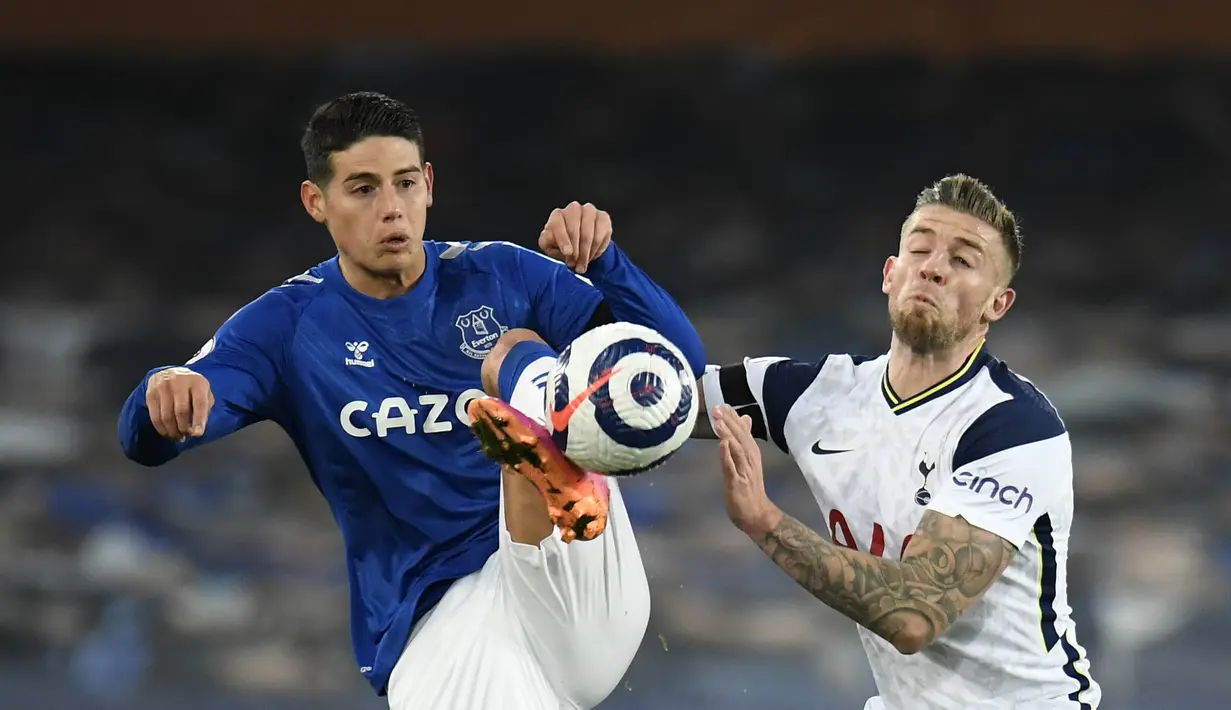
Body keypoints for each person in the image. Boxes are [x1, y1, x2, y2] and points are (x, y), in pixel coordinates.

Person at [117, 91, 706, 710]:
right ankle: (528, 433)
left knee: (513, 355)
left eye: (403, 183)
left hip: (578, 570)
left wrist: (608, 262)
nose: (391, 209)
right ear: (316, 201)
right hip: (443, 623)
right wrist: (163, 389)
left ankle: (533, 413)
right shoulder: (286, 327)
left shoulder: (502, 276)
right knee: (517, 372)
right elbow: (143, 443)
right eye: (363, 189)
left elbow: (678, 371)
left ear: (428, 185)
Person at [695, 175, 1101, 709]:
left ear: (996, 305)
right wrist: (588, 279)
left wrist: (763, 521)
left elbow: (915, 615)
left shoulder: (1013, 425)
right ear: (891, 273)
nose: (933, 266)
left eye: (963, 260)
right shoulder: (819, 393)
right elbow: (656, 393)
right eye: (920, 248)